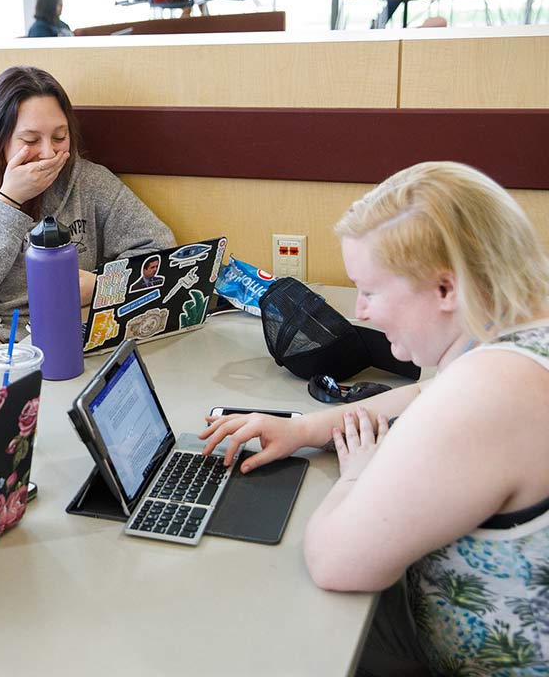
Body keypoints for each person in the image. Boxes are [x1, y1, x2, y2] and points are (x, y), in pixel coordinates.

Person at [199, 161, 549, 674]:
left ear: (446, 290)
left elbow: (336, 562)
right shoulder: (520, 333)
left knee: (260, 628)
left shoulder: (491, 392)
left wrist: (357, 475)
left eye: (372, 291)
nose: (361, 311)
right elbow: (426, 395)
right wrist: (307, 428)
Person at [0, 66, 176, 388]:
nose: (48, 153)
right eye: (30, 140)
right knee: (13, 397)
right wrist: (9, 202)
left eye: (59, 137)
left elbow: (159, 251)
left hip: (60, 320)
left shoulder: (87, 181)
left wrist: (100, 286)